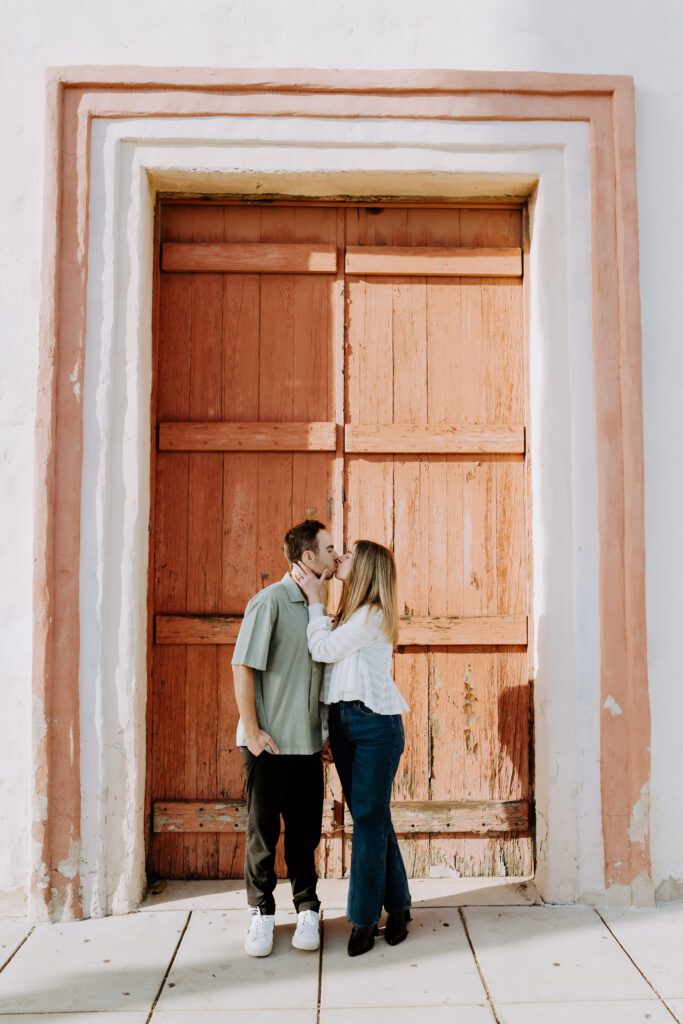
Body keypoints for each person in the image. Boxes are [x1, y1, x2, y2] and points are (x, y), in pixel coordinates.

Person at [292, 540, 412, 957]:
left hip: (376, 725)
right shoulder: (347, 616)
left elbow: (320, 649)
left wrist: (314, 600)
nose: (340, 557)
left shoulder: (373, 615)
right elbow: (330, 678)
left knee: (366, 820)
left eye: (349, 554)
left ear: (367, 568)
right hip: (346, 727)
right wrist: (328, 729)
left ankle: (362, 920)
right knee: (374, 817)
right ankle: (398, 906)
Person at [232, 520, 339, 958]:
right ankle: (260, 913)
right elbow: (243, 665)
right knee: (262, 833)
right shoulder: (270, 601)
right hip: (270, 745)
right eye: (330, 549)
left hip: (308, 745)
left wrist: (325, 732)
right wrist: (253, 732)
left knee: (304, 835)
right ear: (308, 557)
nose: (336, 555)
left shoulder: (317, 608)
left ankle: (307, 908)